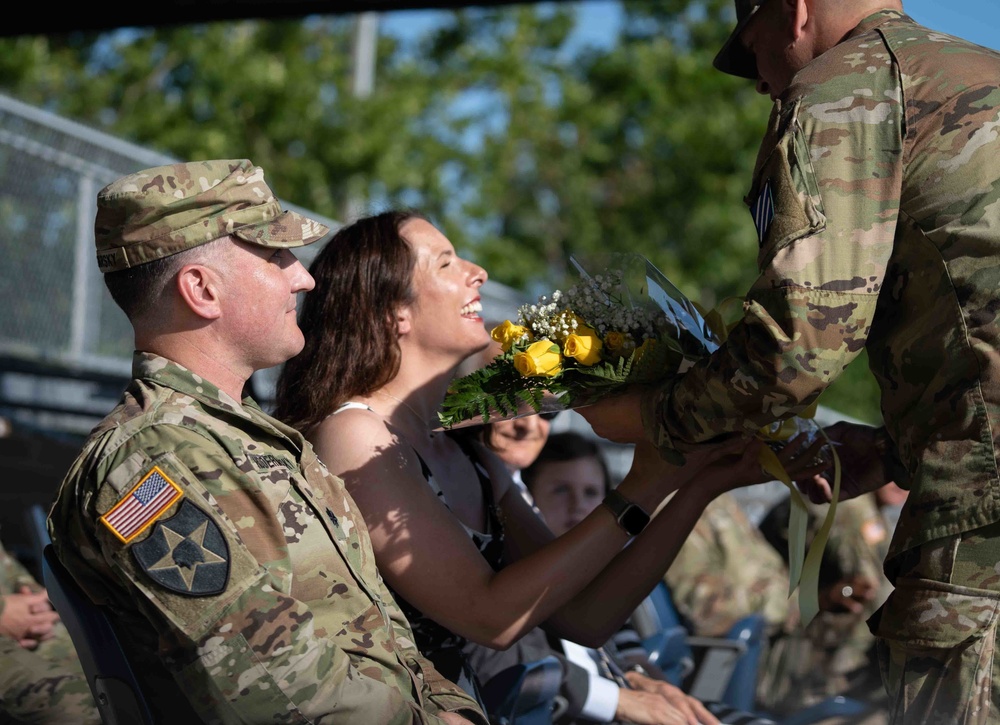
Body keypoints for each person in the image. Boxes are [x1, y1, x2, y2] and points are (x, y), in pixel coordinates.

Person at [576, 2, 1000, 721]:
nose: (763, 85)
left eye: (755, 54)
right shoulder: (977, 75)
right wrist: (901, 452)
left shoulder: (845, 88)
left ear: (794, 13)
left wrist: (653, 416)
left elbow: (802, 343)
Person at [272, 211, 825, 724]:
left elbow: (584, 617)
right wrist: (644, 482)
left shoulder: (465, 449)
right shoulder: (357, 433)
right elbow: (491, 618)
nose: (478, 273)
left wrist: (699, 481)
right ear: (394, 311)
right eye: (446, 262)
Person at [47, 160, 485, 724]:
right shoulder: (150, 464)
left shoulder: (252, 440)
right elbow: (276, 692)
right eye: (276, 256)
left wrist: (455, 710)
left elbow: (384, 637)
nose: (302, 278)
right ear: (202, 289)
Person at [1, 538, 99, 724]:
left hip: (26, 628)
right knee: (79, 706)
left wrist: (34, 607)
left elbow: (7, 570)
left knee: (113, 674)